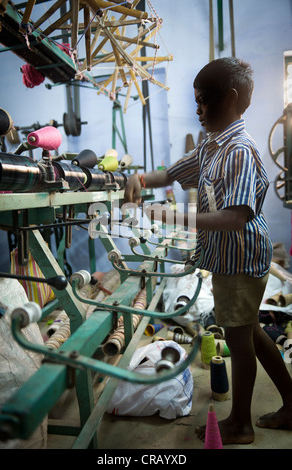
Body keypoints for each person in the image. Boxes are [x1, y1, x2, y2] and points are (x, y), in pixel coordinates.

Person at [124, 57, 292, 445]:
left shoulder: (240, 150)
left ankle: (240, 424)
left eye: (204, 101)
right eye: (195, 101)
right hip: (228, 255)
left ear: (230, 99)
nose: (198, 110)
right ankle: (291, 401)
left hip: (240, 256)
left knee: (238, 339)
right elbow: (173, 173)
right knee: (249, 330)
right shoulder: (211, 145)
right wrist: (139, 177)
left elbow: (233, 218)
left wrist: (164, 214)